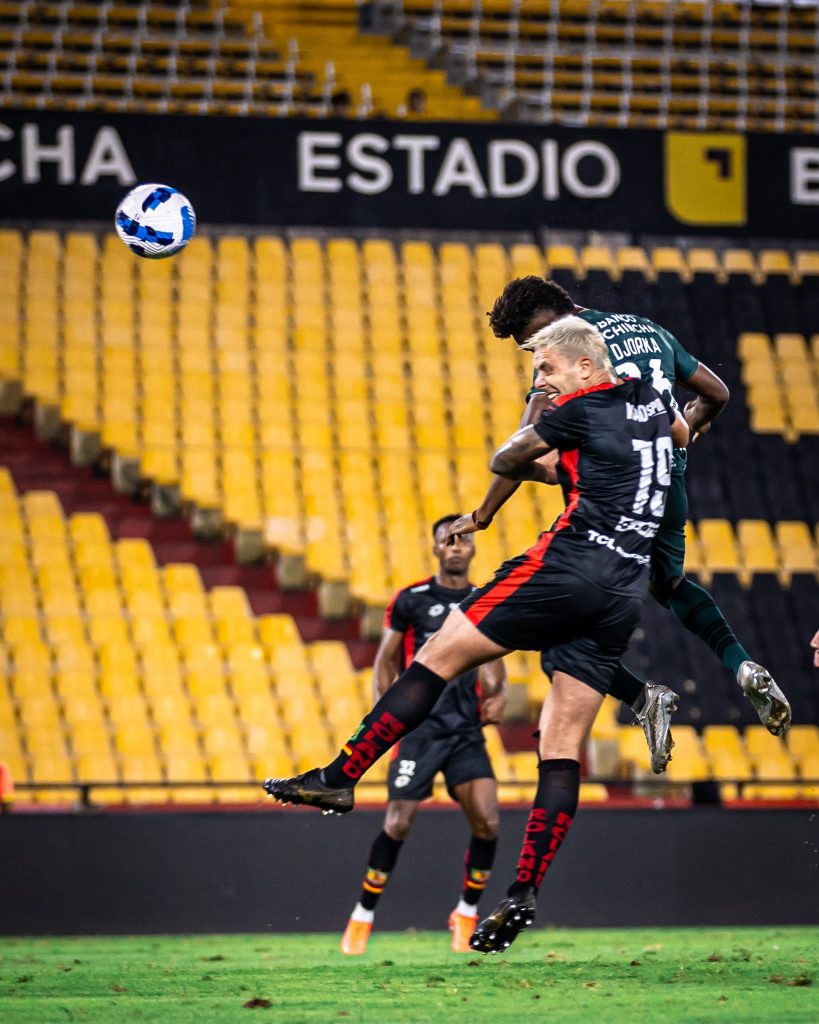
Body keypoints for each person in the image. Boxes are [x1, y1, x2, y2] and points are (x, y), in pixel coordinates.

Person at [265, 316, 690, 953]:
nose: (540, 379)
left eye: (545, 368)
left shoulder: (579, 404)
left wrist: (543, 414)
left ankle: (340, 774)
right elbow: (682, 432)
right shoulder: (652, 401)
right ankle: (522, 891)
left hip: (568, 568)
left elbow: (508, 457)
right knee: (560, 742)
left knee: (437, 655)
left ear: (581, 365)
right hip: (623, 592)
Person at [444, 277, 790, 763]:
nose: (536, 355)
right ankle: (742, 665)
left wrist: (483, 515)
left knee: (553, 608)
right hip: (667, 482)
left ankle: (640, 697)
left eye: (532, 341)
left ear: (549, 321)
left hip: (609, 496)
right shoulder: (650, 328)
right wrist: (689, 429)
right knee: (669, 586)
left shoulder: (568, 349)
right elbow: (717, 392)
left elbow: (525, 443)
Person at [340, 516, 507, 955]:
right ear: (435, 548)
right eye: (446, 540)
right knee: (397, 823)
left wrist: (500, 691)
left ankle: (467, 912)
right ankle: (363, 915)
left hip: (465, 730)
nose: (454, 547)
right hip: (420, 731)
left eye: (462, 540)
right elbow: (385, 660)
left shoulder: (482, 598)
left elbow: (494, 650)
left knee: (488, 821)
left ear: (472, 549)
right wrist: (385, 716)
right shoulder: (411, 599)